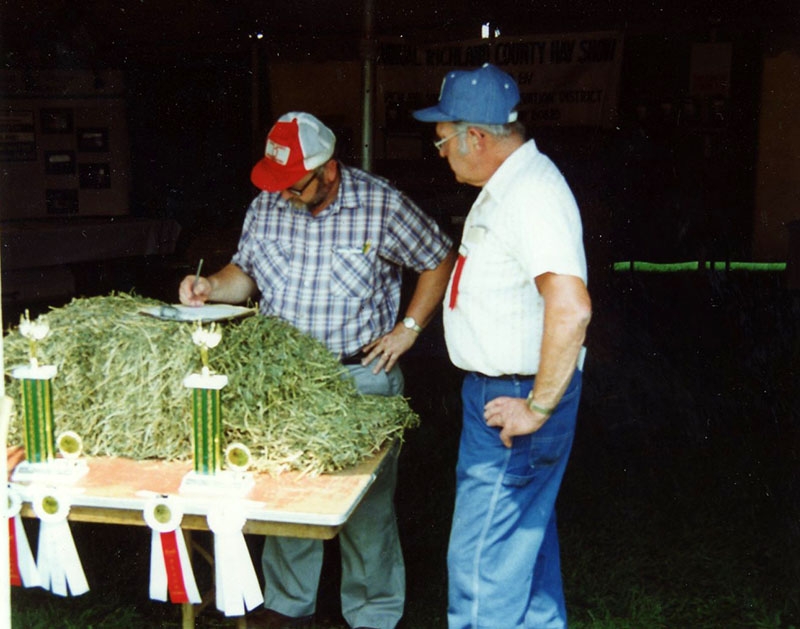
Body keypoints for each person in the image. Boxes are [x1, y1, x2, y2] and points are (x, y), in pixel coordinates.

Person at [179, 111, 456, 629]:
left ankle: (373, 614)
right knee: (285, 496)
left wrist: (410, 328)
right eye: (278, 185)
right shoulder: (268, 203)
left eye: (295, 185)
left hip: (360, 378)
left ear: (329, 171)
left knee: (366, 508)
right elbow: (246, 273)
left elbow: (439, 257)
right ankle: (287, 608)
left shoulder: (380, 203)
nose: (283, 195)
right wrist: (212, 287)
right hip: (286, 379)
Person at [412, 64, 592, 629]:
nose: (441, 153)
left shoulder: (531, 195)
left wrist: (537, 405)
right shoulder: (511, 186)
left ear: (478, 137)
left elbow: (572, 307)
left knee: (482, 568)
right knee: (522, 555)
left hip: (512, 401)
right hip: (499, 395)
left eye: (443, 140)